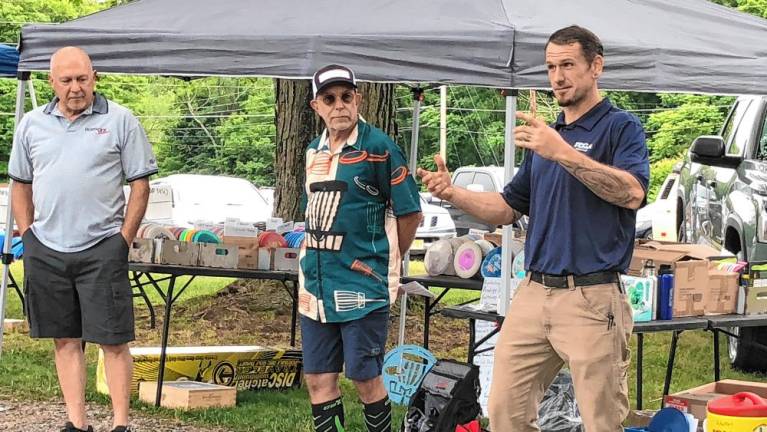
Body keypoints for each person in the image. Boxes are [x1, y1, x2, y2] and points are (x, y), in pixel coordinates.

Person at [418, 26, 649, 431]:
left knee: (602, 421)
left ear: (596, 66)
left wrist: (561, 152)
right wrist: (453, 193)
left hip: (591, 297)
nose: (557, 77)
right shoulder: (549, 139)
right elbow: (507, 207)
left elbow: (631, 193)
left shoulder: (619, 127)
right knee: (504, 411)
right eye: (550, 67)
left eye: (568, 65)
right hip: (534, 291)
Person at [8, 47, 157, 432]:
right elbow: (20, 184)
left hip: (102, 248)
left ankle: (121, 424)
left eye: (82, 79)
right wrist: (29, 235)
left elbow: (140, 185)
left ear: (95, 77)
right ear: (51, 82)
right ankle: (77, 423)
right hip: (48, 249)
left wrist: (123, 239)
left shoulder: (121, 120)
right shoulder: (30, 125)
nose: (76, 88)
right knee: (65, 339)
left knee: (113, 340)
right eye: (67, 80)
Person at [298, 64, 422, 432]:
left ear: (359, 100)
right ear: (316, 106)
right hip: (315, 284)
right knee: (319, 379)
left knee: (365, 378)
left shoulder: (379, 148)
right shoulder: (312, 151)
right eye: (330, 99)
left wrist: (390, 259)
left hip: (362, 285)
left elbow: (410, 212)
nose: (339, 106)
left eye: (346, 97)